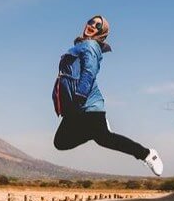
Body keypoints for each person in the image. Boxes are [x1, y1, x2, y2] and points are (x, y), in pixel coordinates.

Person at [52, 15, 163, 176]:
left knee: (103, 139)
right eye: (91, 22)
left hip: (86, 104)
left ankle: (147, 154)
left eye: (98, 26)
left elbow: (89, 72)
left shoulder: (90, 45)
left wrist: (79, 97)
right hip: (74, 106)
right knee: (61, 142)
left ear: (102, 32)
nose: (92, 26)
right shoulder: (81, 45)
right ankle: (94, 132)